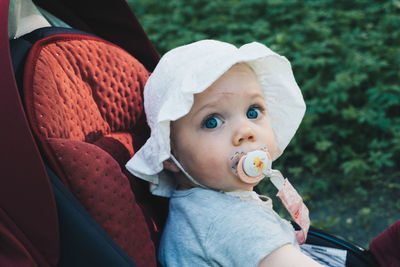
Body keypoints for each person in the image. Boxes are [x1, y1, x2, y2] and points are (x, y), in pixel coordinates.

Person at [126, 40, 322, 266]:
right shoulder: (233, 224)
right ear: (170, 155)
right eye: (211, 122)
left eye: (253, 111)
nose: (245, 131)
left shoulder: (198, 209)